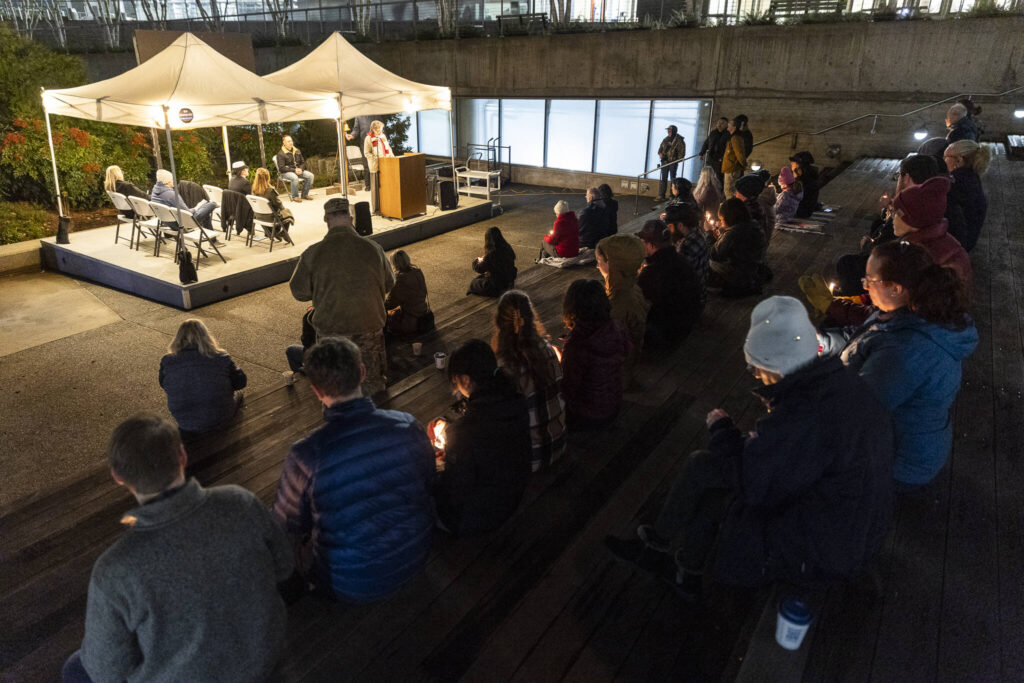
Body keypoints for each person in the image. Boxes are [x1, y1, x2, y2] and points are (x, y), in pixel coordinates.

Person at [605, 296, 893, 598]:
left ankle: (677, 563)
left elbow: (752, 483)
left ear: (776, 365)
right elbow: (783, 462)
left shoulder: (803, 414)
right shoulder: (835, 384)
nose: (756, 377)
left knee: (717, 485)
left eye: (756, 368)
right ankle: (675, 562)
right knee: (706, 466)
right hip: (850, 520)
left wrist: (721, 430)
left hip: (824, 546)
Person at [63, 414, 292, 683]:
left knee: (74, 669)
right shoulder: (241, 502)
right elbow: (284, 566)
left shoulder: (114, 570)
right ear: (182, 455)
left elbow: (106, 672)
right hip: (264, 664)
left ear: (118, 477)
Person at [273, 337, 435, 601]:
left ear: (315, 391)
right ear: (362, 372)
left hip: (350, 583)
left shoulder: (305, 455)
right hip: (414, 557)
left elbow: (284, 525)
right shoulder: (407, 425)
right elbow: (429, 481)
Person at [820, 241, 978, 489]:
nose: (865, 285)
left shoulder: (908, 351)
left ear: (895, 288)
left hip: (900, 463)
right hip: (893, 438)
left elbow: (854, 410)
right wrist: (821, 342)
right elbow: (863, 341)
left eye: (870, 280)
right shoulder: (907, 313)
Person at [289, 197, 396, 395]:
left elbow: (299, 292)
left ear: (326, 219)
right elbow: (389, 283)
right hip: (370, 331)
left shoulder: (312, 254)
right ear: (350, 218)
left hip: (332, 335)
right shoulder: (374, 249)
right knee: (373, 389)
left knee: (336, 391)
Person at [431, 339, 532, 536]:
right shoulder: (516, 401)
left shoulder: (466, 430)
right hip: (512, 501)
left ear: (466, 380)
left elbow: (454, 491)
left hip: (476, 518)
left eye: (456, 381)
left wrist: (439, 467)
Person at [492, 290, 567, 472]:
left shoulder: (505, 367)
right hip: (557, 444)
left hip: (528, 459)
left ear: (499, 323)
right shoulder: (547, 349)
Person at [560, 279, 632, 431]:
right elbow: (626, 352)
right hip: (613, 404)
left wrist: (559, 361)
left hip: (587, 416)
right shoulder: (616, 328)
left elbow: (567, 388)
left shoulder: (578, 343)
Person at [159, 319, 246, 437]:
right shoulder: (220, 357)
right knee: (239, 395)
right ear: (206, 336)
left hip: (185, 422)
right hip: (221, 417)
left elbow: (163, 383)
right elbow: (241, 382)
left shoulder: (167, 361)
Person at [636, 220, 703, 350]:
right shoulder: (680, 260)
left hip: (665, 334)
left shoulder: (653, 272)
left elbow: (640, 304)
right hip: (687, 324)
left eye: (643, 242)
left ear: (650, 245)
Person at [595, 234, 648, 360]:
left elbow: (607, 344)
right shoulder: (632, 286)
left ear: (613, 265)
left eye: (599, 261)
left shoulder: (618, 303)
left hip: (618, 369)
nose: (597, 267)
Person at [708, 198, 766, 297]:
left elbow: (715, 254)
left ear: (729, 218)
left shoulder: (733, 234)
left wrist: (710, 234)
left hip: (738, 273)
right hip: (753, 267)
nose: (721, 223)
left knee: (708, 261)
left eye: (722, 219)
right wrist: (723, 235)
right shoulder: (754, 224)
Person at [943, 139, 990, 252]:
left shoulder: (955, 183)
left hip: (955, 246)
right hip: (967, 242)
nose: (943, 161)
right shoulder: (971, 178)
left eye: (946, 157)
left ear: (958, 160)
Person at [664, 203, 709, 305]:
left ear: (680, 225)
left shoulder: (686, 246)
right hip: (699, 295)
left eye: (670, 227)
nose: (669, 230)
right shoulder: (697, 232)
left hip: (689, 303)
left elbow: (675, 278)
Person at [150, 168, 217, 231]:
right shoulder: (171, 195)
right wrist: (197, 207)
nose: (173, 181)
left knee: (205, 213)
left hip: (169, 223)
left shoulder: (154, 192)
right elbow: (187, 212)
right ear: (167, 182)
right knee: (211, 204)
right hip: (182, 223)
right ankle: (212, 239)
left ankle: (213, 239)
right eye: (172, 179)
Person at [385, 249, 432, 334]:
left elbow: (390, 303)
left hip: (411, 320)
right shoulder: (418, 272)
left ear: (394, 264)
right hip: (423, 313)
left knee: (386, 314)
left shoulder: (400, 280)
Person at [469, 226, 517, 297]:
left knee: (474, 283)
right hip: (509, 279)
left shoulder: (492, 253)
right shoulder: (507, 247)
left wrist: (476, 260)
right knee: (481, 278)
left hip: (497, 284)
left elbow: (479, 268)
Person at [251, 166, 294, 243]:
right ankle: (283, 233)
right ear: (268, 178)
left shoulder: (253, 190)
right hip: (271, 218)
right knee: (287, 212)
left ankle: (270, 233)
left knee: (278, 212)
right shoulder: (270, 191)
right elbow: (279, 205)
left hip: (258, 216)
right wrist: (284, 211)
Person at [363, 120, 394, 214]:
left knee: (386, 187)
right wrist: (375, 159)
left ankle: (387, 206)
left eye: (381, 130)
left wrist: (393, 158)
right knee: (376, 188)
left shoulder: (383, 136)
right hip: (375, 166)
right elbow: (366, 153)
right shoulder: (368, 138)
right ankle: (376, 209)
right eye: (379, 130)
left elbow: (388, 148)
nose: (380, 131)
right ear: (373, 129)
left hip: (386, 164)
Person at [734, 173, 772, 246]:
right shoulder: (753, 206)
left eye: (738, 191)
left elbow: (739, 238)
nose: (735, 194)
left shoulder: (749, 212)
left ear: (746, 194)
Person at [274, 134, 314, 202]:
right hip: (285, 173)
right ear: (284, 142)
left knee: (310, 176)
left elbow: (303, 162)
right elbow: (281, 168)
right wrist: (294, 170)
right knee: (294, 177)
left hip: (298, 171)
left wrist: (300, 169)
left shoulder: (297, 150)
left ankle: (304, 195)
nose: (291, 142)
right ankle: (295, 196)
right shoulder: (281, 154)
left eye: (291, 141)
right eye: (288, 141)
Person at [657, 125, 687, 200]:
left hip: (673, 162)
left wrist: (675, 160)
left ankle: (672, 195)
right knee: (663, 178)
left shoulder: (679, 140)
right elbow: (660, 149)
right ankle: (661, 195)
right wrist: (660, 154)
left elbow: (682, 153)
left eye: (670, 130)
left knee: (673, 179)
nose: (669, 132)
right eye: (668, 130)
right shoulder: (666, 139)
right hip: (664, 162)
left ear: (674, 131)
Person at [721, 118, 748, 199]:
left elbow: (739, 153)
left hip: (732, 168)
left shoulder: (735, 138)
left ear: (734, 127)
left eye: (729, 124)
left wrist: (743, 165)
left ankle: (731, 209)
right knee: (729, 191)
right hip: (730, 167)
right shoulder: (733, 137)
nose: (727, 126)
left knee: (729, 191)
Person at [698, 117, 730, 185]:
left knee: (718, 178)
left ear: (727, 125)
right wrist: (701, 153)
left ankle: (719, 193)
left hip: (720, 160)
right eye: (719, 123)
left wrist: (722, 158)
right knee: (708, 176)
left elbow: (729, 148)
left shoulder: (728, 134)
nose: (720, 124)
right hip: (711, 158)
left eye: (722, 123)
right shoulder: (713, 133)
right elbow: (706, 143)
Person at [789, 151, 820, 219]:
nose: (791, 165)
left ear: (798, 165)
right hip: (806, 211)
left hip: (800, 212)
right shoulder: (810, 177)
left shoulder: (802, 181)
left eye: (793, 163)